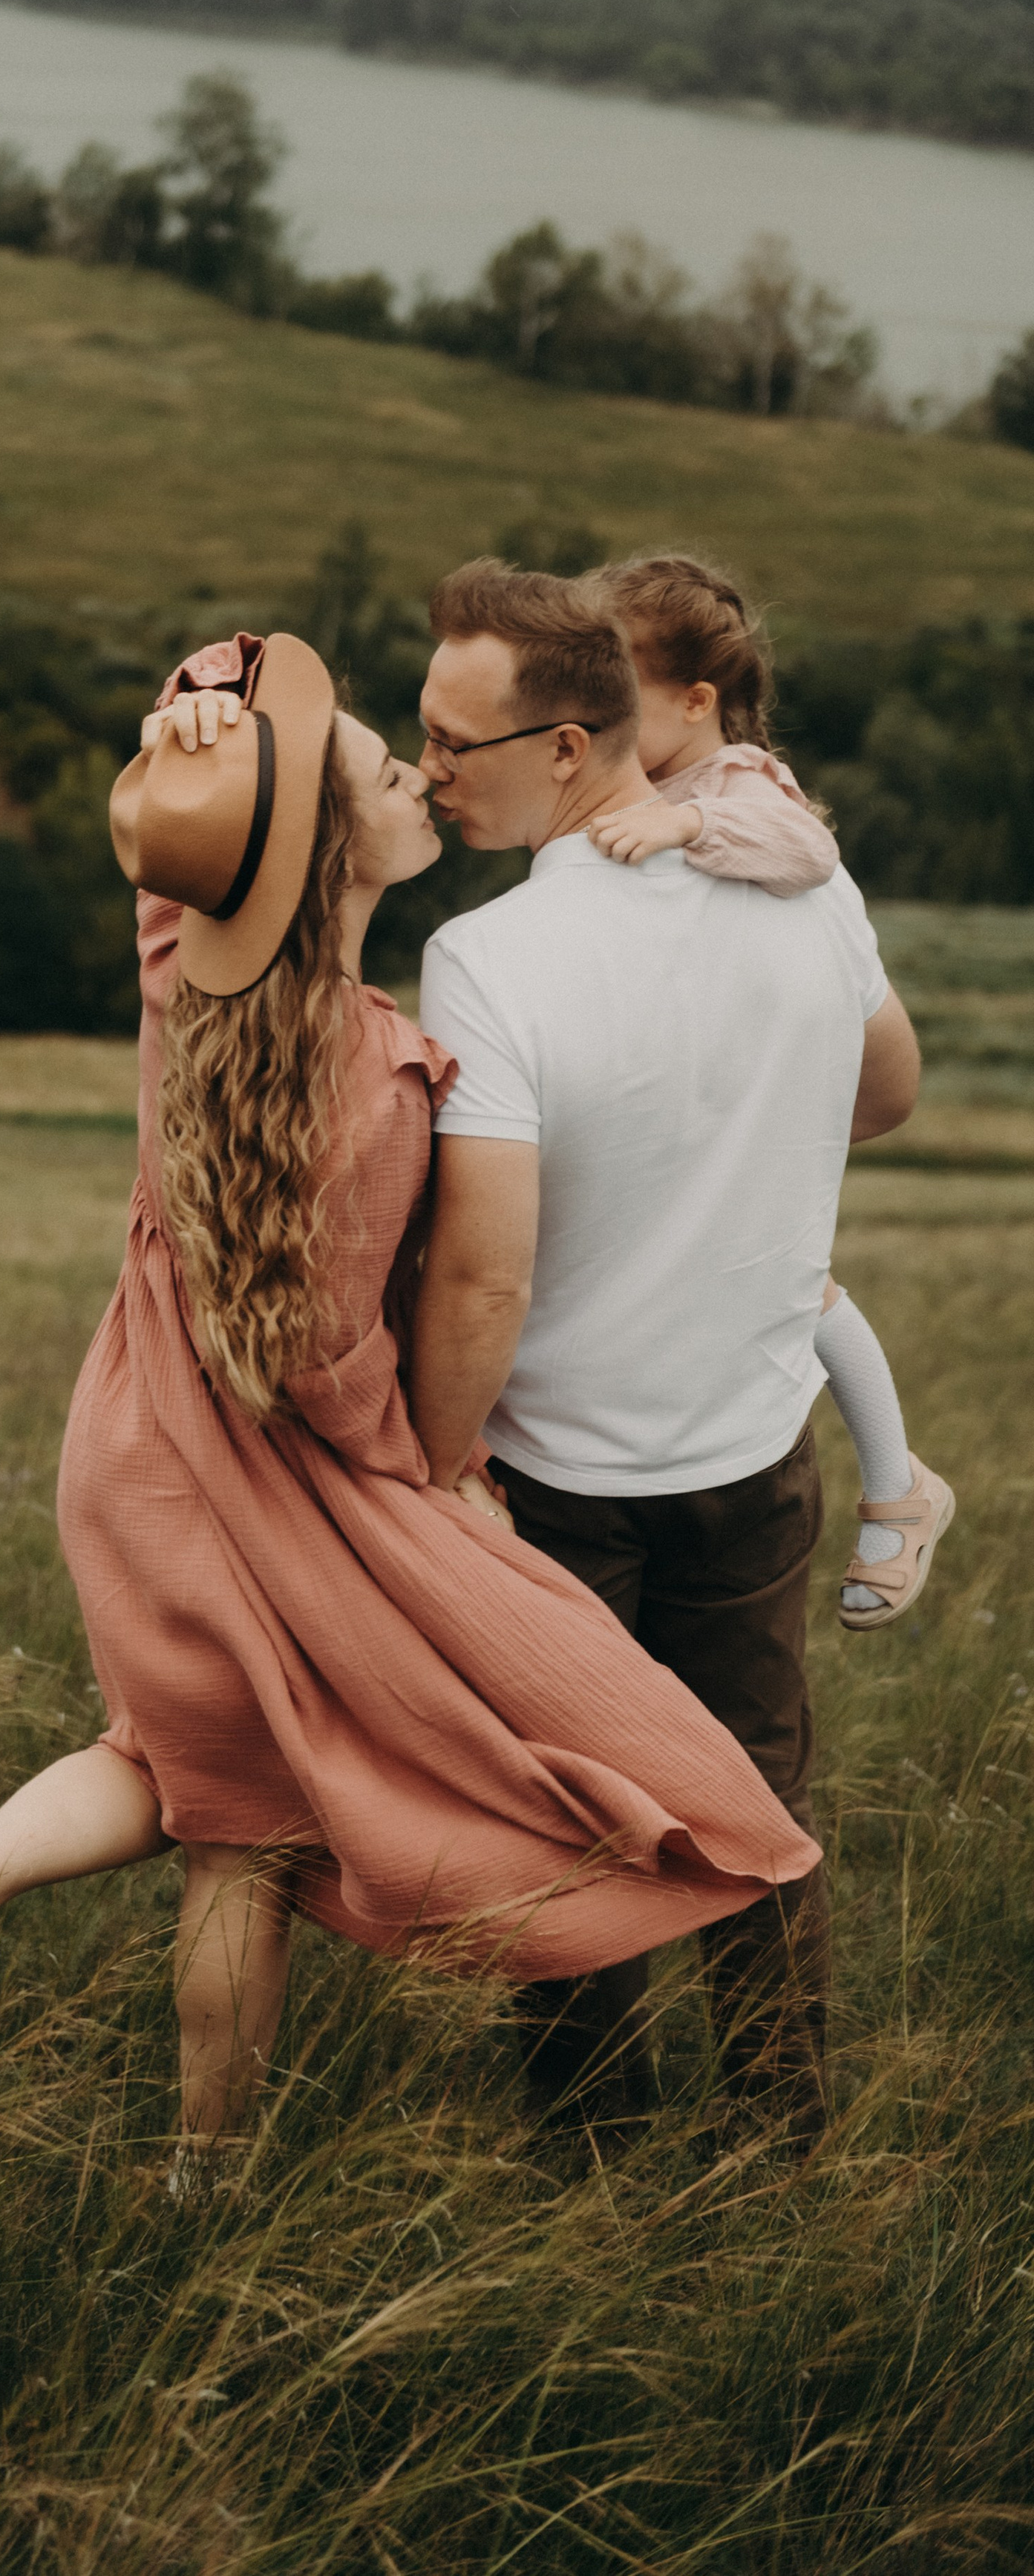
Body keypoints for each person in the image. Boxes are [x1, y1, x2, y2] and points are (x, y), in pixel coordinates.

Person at [0, 628, 819, 2145]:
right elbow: (334, 1367)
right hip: (267, 1484)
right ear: (336, 846)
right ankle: (199, 2184)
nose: (415, 772)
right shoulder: (379, 1083)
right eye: (378, 766)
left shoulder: (179, 986)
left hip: (129, 1450)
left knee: (179, 1777)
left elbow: (166, 830)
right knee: (245, 1844)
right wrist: (430, 1473)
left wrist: (190, 705)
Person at [410, 559, 923, 2136]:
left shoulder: (487, 959)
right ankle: (779, 2124)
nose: (427, 767)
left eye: (454, 740)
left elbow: (482, 1278)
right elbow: (885, 1092)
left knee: (563, 1810)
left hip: (558, 1479)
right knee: (754, 1797)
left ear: (571, 746)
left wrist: (436, 1475)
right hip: (754, 1448)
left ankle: (589, 2140)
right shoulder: (812, 891)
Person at [578, 551, 954, 1631]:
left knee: (796, 1284)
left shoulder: (738, 784)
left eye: (620, 700)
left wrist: (684, 826)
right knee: (771, 1281)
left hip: (764, 1093)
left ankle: (898, 1483)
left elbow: (806, 849)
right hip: (705, 1096)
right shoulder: (643, 778)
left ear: (698, 704)